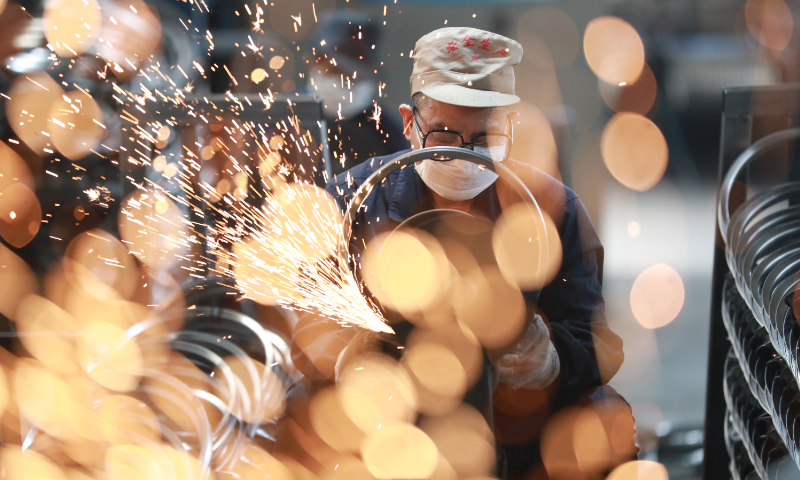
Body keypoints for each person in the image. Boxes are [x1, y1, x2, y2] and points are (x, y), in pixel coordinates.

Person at [322, 27, 635, 479]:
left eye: (484, 139)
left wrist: (551, 361)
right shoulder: (353, 202)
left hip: (516, 423)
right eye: (446, 135)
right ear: (409, 122)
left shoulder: (555, 210)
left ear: (510, 128)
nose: (467, 157)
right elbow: (297, 332)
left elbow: (599, 342)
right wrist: (345, 353)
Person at [307, 12, 408, 175]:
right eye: (334, 72)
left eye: (352, 77)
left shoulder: (387, 133)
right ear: (314, 62)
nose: (343, 82)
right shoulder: (286, 117)